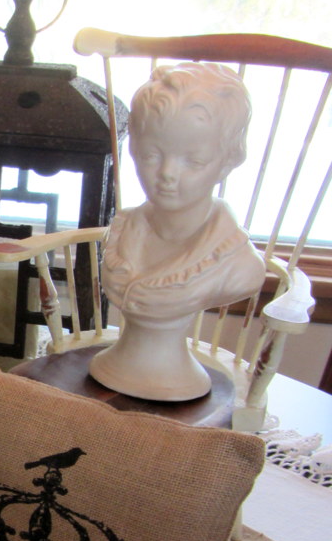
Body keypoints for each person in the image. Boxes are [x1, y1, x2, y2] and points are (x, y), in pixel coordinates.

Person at [90, 62, 266, 401]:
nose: (167, 173)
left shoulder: (239, 265)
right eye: (152, 154)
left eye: (194, 161)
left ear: (228, 162)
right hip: (109, 371)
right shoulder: (123, 230)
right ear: (134, 150)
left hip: (178, 380)